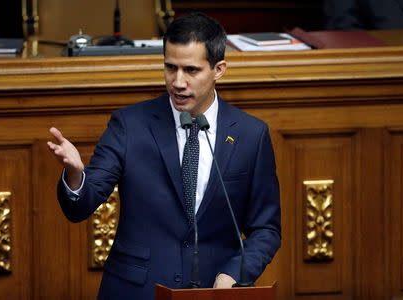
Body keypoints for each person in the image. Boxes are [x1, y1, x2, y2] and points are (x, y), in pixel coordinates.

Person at [47, 12, 281, 300]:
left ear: (218, 69)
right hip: (137, 290)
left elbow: (266, 228)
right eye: (171, 68)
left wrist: (233, 273)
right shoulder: (129, 125)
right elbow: (80, 207)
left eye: (191, 70)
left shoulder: (250, 134)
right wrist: (74, 175)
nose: (178, 82)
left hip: (214, 290)